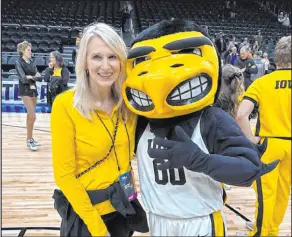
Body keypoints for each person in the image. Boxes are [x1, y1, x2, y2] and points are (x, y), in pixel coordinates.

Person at [122, 19, 278, 236]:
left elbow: (249, 169)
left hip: (200, 222)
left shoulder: (211, 119)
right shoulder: (140, 121)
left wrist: (200, 161)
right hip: (158, 220)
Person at [51, 23, 148, 237]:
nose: (106, 66)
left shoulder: (129, 106)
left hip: (122, 209)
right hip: (87, 216)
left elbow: (124, 162)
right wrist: (98, 230)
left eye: (112, 57)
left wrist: (132, 204)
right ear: (85, 61)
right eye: (97, 57)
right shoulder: (65, 105)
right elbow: (64, 176)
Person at [237, 35, 291, 237]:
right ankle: (273, 231)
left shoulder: (262, 82)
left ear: (276, 59)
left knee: (265, 194)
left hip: (270, 144)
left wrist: (251, 140)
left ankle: (261, 233)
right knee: (282, 194)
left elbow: (242, 114)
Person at [15, 41, 42, 151]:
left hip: (33, 90)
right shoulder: (18, 62)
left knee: (30, 116)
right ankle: (29, 140)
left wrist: (32, 77)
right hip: (24, 90)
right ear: (22, 51)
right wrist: (33, 76)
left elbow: (39, 76)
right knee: (33, 116)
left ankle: (29, 139)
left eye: (31, 50)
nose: (31, 52)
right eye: (28, 50)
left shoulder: (32, 62)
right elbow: (23, 79)